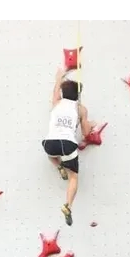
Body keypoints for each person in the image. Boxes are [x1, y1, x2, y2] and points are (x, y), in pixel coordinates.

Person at [42, 67, 95, 226]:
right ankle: (68, 206)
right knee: (73, 177)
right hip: (67, 144)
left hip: (50, 143)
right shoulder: (80, 109)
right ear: (78, 95)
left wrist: (59, 78)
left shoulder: (56, 102)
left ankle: (59, 167)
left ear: (63, 93)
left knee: (51, 155)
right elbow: (85, 133)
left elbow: (55, 91)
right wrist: (91, 124)